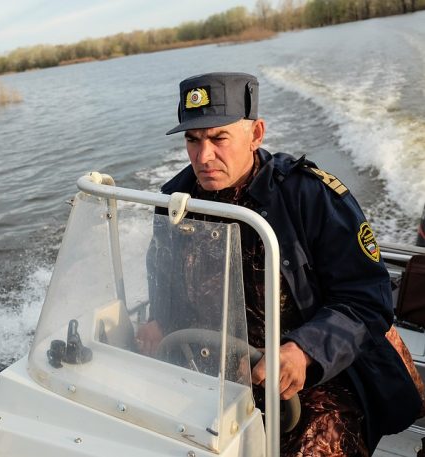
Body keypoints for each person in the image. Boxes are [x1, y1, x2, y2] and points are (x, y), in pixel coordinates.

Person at [136, 72, 425, 456]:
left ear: (255, 134)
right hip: (216, 374)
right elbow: (163, 277)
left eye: (219, 138)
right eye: (193, 140)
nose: (203, 157)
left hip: (321, 373)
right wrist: (159, 318)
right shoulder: (175, 203)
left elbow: (367, 300)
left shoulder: (310, 197)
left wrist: (301, 351)